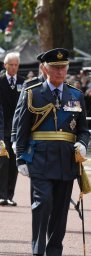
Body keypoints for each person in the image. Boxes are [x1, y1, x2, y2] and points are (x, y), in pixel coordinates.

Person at [15, 48, 90, 256]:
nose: (60, 71)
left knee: (60, 208)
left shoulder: (76, 95)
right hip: (40, 157)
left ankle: (54, 253)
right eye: (55, 67)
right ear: (44, 68)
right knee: (43, 203)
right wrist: (20, 157)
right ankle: (37, 252)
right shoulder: (32, 93)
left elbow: (84, 129)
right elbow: (22, 128)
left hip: (66, 159)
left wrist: (82, 144)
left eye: (63, 67)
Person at [0, 52, 25, 206]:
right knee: (3, 160)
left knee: (14, 163)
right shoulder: (0, 81)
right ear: (5, 65)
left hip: (17, 129)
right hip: (1, 128)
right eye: (11, 65)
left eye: (16, 65)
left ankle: (9, 194)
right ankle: (1, 194)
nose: (14, 67)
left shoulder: (23, 82)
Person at [11, 52, 47, 153]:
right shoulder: (30, 85)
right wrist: (15, 137)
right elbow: (19, 112)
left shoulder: (63, 87)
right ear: (42, 67)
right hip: (34, 137)